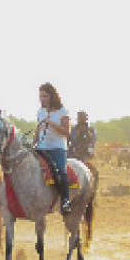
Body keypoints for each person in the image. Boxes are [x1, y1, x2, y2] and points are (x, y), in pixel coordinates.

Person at [35, 82, 73, 214]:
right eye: (40, 96)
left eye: (44, 96)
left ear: (52, 96)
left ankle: (65, 201)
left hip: (57, 147)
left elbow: (67, 132)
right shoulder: (40, 112)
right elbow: (37, 130)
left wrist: (51, 123)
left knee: (61, 171)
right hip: (41, 146)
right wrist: (33, 144)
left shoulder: (63, 111)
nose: (42, 99)